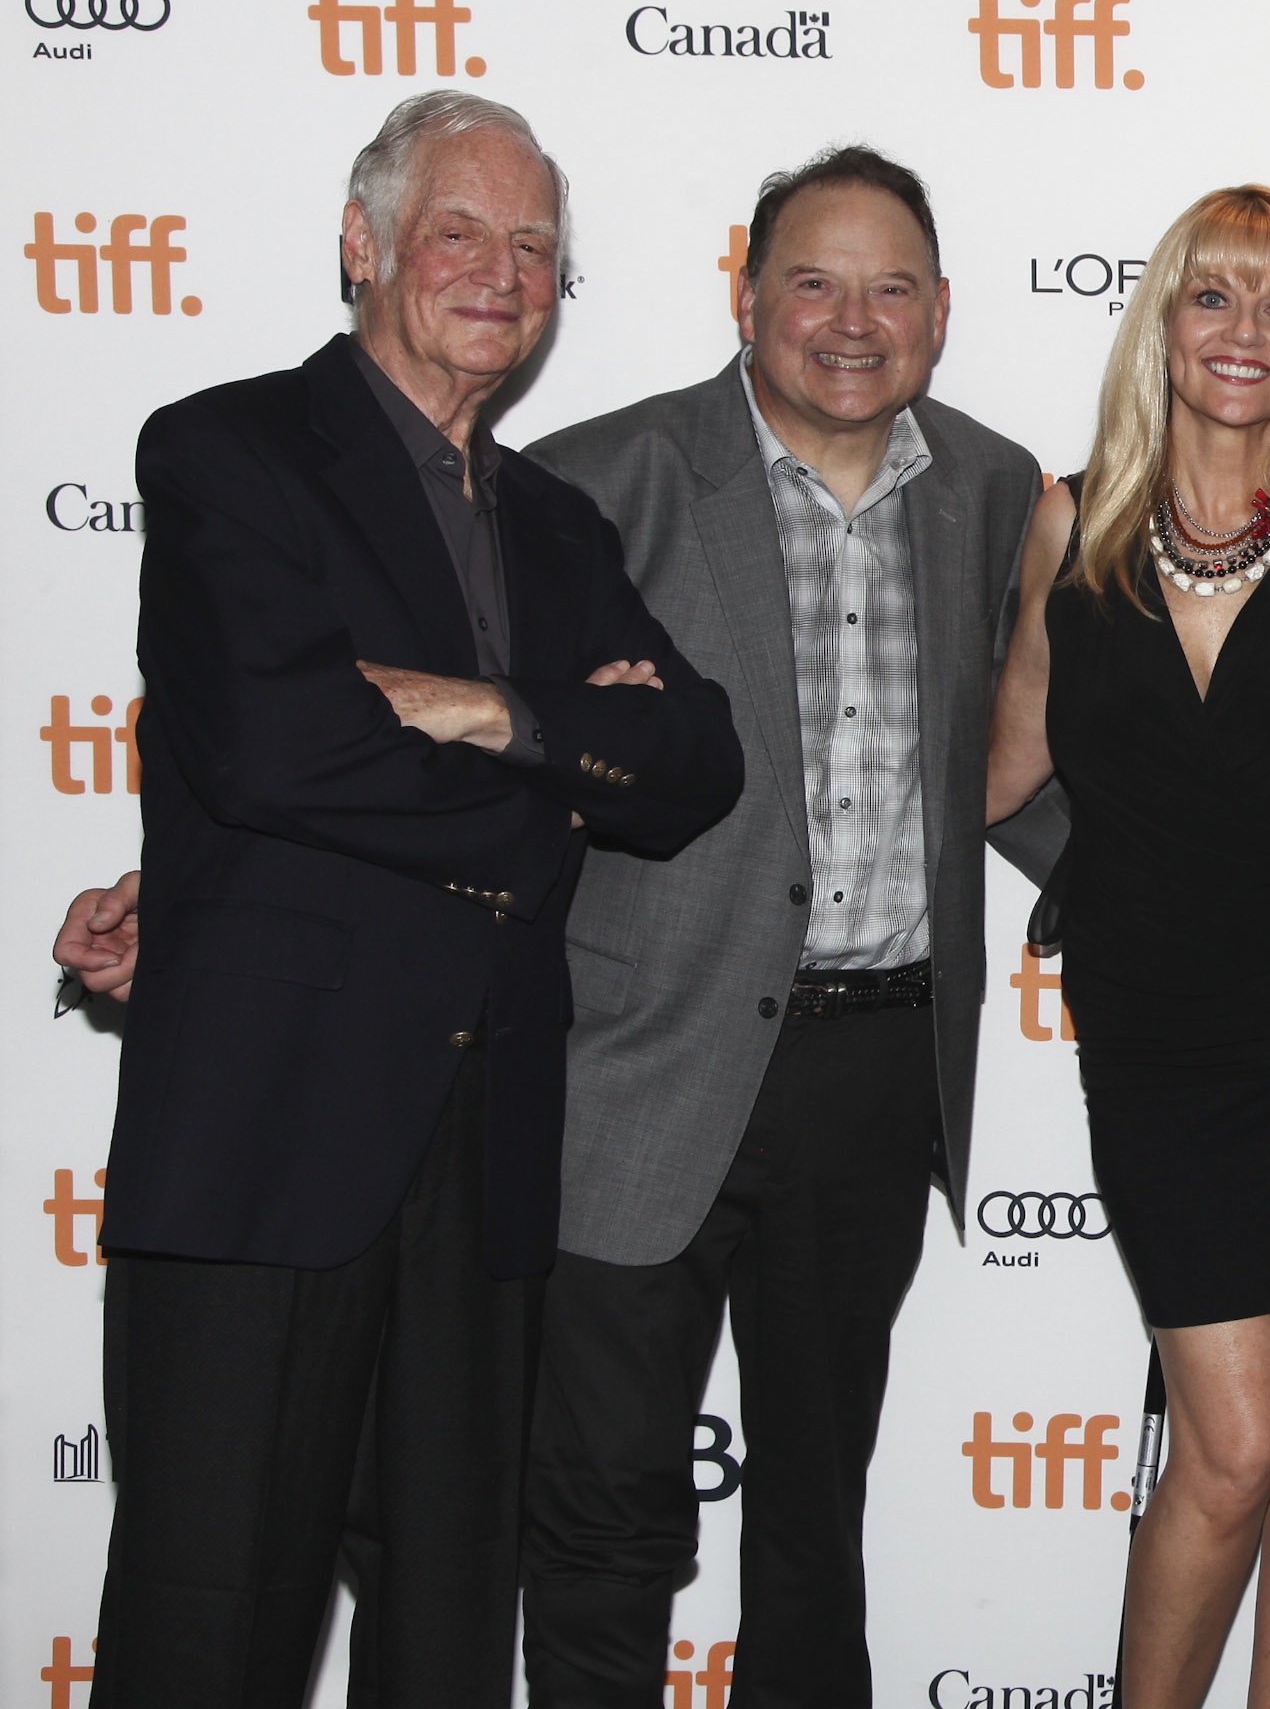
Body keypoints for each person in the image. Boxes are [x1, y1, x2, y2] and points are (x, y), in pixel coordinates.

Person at [63, 89, 743, 1708]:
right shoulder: (228, 451)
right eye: (461, 229)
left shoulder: (559, 522)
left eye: (535, 247)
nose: (501, 272)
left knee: (443, 1640)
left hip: (486, 1149)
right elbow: (284, 750)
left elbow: (695, 762)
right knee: (207, 1621)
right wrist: (561, 783)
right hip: (265, 1138)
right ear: (361, 245)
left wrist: (488, 710)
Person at [508, 147, 1061, 1703]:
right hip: (636, 1064)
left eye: (892, 287)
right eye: (813, 281)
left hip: (870, 1078)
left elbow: (1016, 760)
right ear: (746, 294)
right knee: (605, 1507)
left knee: (817, 1515)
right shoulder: (587, 484)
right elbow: (481, 756)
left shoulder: (1002, 492)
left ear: (942, 314)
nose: (851, 320)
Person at [984, 185, 1270, 1709]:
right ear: (1162, 320)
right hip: (1166, 1053)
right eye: (1214, 298)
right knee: (1228, 1445)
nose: (1244, 335)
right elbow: (1001, 770)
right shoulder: (1070, 521)